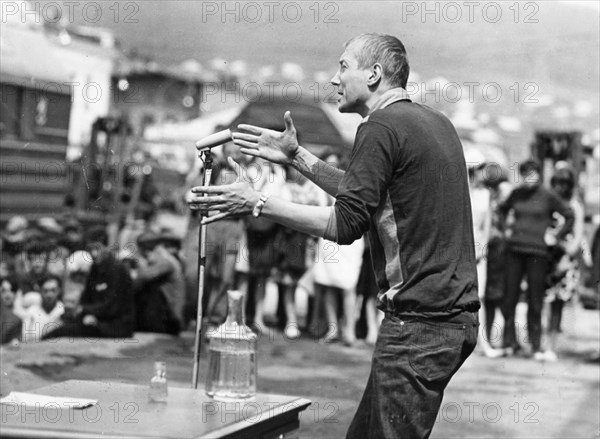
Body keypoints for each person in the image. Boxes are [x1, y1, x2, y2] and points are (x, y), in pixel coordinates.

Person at [188, 33, 479, 438]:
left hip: (420, 325)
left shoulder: (380, 126)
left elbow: (346, 224)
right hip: (450, 322)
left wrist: (256, 203)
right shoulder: (434, 123)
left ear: (374, 74)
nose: (333, 79)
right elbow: (366, 195)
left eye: (344, 66)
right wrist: (298, 157)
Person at [500, 160, 574, 361]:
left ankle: (535, 345)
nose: (528, 178)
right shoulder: (517, 194)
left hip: (538, 253)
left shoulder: (547, 195)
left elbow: (569, 215)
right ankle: (509, 342)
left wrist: (556, 236)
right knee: (510, 298)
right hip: (514, 249)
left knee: (535, 299)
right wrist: (505, 230)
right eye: (525, 174)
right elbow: (502, 209)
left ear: (539, 175)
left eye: (532, 174)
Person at [43, 226, 135, 340]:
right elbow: (86, 299)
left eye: (96, 249)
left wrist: (85, 311)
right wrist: (82, 312)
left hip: (116, 327)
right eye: (89, 249)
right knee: (55, 330)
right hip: (95, 322)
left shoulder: (117, 269)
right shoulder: (94, 269)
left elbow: (112, 306)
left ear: (105, 246)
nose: (93, 253)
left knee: (61, 333)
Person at [544, 166, 585, 361]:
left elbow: (577, 239)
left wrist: (564, 252)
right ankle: (540, 344)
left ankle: (551, 346)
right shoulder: (549, 202)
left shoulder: (574, 206)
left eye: (564, 183)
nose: (560, 187)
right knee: (543, 302)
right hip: (547, 258)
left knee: (557, 304)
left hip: (565, 260)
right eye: (557, 183)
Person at [466, 152, 505, 358]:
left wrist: (481, 248)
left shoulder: (486, 194)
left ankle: (483, 342)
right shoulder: (460, 192)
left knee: (478, 296)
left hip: (479, 252)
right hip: (460, 250)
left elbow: (488, 225)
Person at [133, 231, 185, 335]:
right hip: (164, 312)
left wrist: (139, 263)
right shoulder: (160, 257)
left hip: (170, 316)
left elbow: (144, 277)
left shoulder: (165, 260)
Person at [21, 274, 64, 342]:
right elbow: (24, 339)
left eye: (53, 290)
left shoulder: (64, 311)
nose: (49, 295)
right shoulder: (31, 312)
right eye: (45, 291)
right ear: (40, 291)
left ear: (59, 290)